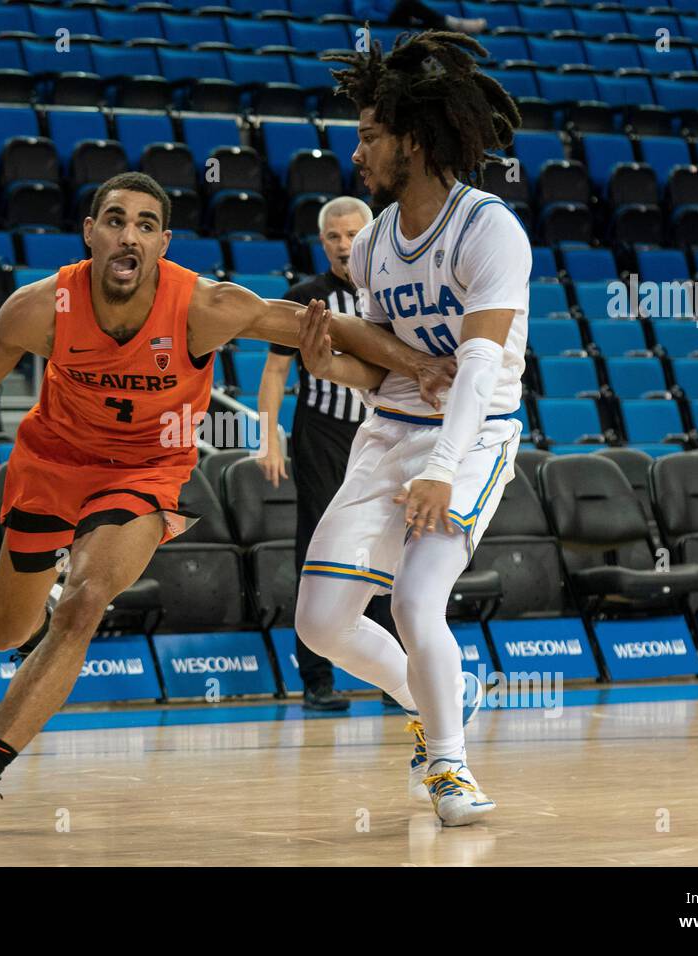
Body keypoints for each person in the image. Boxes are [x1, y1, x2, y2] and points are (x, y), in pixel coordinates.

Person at [0, 172, 455, 837]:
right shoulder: (39, 307)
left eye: (144, 224)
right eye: (114, 219)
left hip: (145, 473)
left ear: (163, 242)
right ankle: (49, 590)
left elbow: (328, 325)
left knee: (84, 602)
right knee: (5, 635)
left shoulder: (206, 305)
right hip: (50, 467)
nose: (127, 234)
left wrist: (417, 365)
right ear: (90, 234)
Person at [292, 31, 528, 827]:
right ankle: (439, 699)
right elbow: (389, 369)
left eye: (369, 136)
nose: (356, 152)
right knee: (319, 622)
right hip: (389, 434)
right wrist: (334, 371)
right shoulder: (375, 247)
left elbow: (481, 366)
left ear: (413, 141)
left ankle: (450, 769)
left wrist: (444, 466)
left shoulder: (489, 230)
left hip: (473, 437)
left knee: (417, 602)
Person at [256, 196, 408, 712]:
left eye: (352, 235)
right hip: (321, 436)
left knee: (388, 547)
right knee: (318, 546)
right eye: (334, 237)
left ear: (370, 236)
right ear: (321, 243)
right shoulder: (305, 298)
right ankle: (317, 681)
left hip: (384, 431)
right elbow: (275, 371)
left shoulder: (390, 295)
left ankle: (395, 677)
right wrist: (267, 435)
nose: (344, 246)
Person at [350, 0, 486, 34]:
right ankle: (455, 24)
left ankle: (456, 36)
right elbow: (363, 13)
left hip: (398, 21)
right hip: (380, 24)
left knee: (431, 26)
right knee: (407, 3)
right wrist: (388, 19)